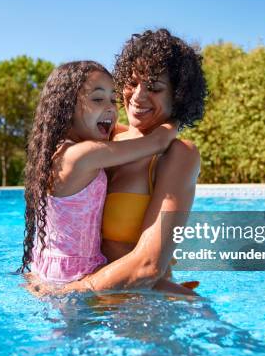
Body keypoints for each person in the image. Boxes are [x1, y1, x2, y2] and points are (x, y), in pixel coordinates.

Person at [62, 29, 207, 295]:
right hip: (90, 305)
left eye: (154, 88)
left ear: (178, 96)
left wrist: (67, 292)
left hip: (143, 308)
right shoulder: (102, 137)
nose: (138, 96)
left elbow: (148, 266)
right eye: (132, 82)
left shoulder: (177, 155)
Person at [20, 60, 186, 290]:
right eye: (97, 99)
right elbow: (157, 142)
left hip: (50, 270)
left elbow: (122, 131)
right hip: (73, 278)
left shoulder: (60, 152)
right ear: (66, 108)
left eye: (114, 100)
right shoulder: (83, 155)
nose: (110, 108)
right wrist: (179, 113)